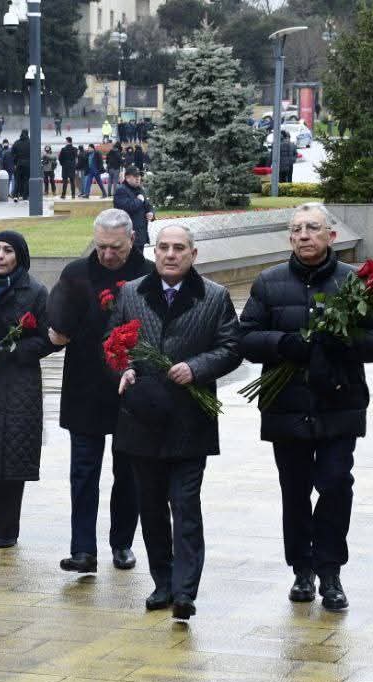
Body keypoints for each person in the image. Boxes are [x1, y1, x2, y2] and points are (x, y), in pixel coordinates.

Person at [238, 203, 373, 610]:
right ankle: (301, 570)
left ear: (331, 236)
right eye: (297, 229)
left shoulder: (354, 281)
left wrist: (346, 341)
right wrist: (283, 344)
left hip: (338, 403)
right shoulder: (269, 281)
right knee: (294, 491)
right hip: (286, 405)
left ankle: (330, 571)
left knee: (336, 485)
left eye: (312, 228)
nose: (304, 235)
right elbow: (245, 338)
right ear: (290, 238)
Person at [111, 224, 242, 619]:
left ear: (193, 254)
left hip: (189, 421)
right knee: (151, 507)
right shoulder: (131, 293)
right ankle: (163, 582)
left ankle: (185, 591)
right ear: (154, 252)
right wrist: (123, 368)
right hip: (143, 418)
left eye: (179, 248)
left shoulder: (214, 296)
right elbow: (112, 342)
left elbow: (232, 347)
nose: (171, 254)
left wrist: (197, 368)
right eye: (164, 247)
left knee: (185, 505)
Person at [45, 208, 154, 574]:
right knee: (83, 471)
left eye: (116, 248)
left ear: (132, 240)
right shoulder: (76, 273)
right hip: (85, 385)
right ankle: (82, 549)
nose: (107, 254)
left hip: (131, 385)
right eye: (101, 246)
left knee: (129, 473)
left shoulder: (148, 274)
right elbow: (58, 325)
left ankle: (122, 543)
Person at [0, 231, 55, 547]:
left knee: (15, 454)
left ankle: (8, 526)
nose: (0, 255)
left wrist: (15, 350)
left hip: (20, 383)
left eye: (7, 250)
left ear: (19, 256)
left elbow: (49, 338)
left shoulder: (36, 291)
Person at [112, 167, 154, 250]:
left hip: (141, 235)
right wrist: (139, 200)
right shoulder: (121, 190)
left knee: (140, 257)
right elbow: (126, 207)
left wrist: (151, 212)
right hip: (128, 236)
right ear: (127, 177)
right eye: (135, 176)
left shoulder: (140, 189)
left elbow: (148, 205)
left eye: (139, 176)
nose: (138, 178)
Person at [12, 129, 32, 203]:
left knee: (17, 180)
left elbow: (12, 153)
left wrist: (15, 162)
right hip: (28, 164)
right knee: (26, 180)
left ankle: (15, 195)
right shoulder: (30, 142)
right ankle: (25, 196)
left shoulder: (16, 143)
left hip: (19, 163)